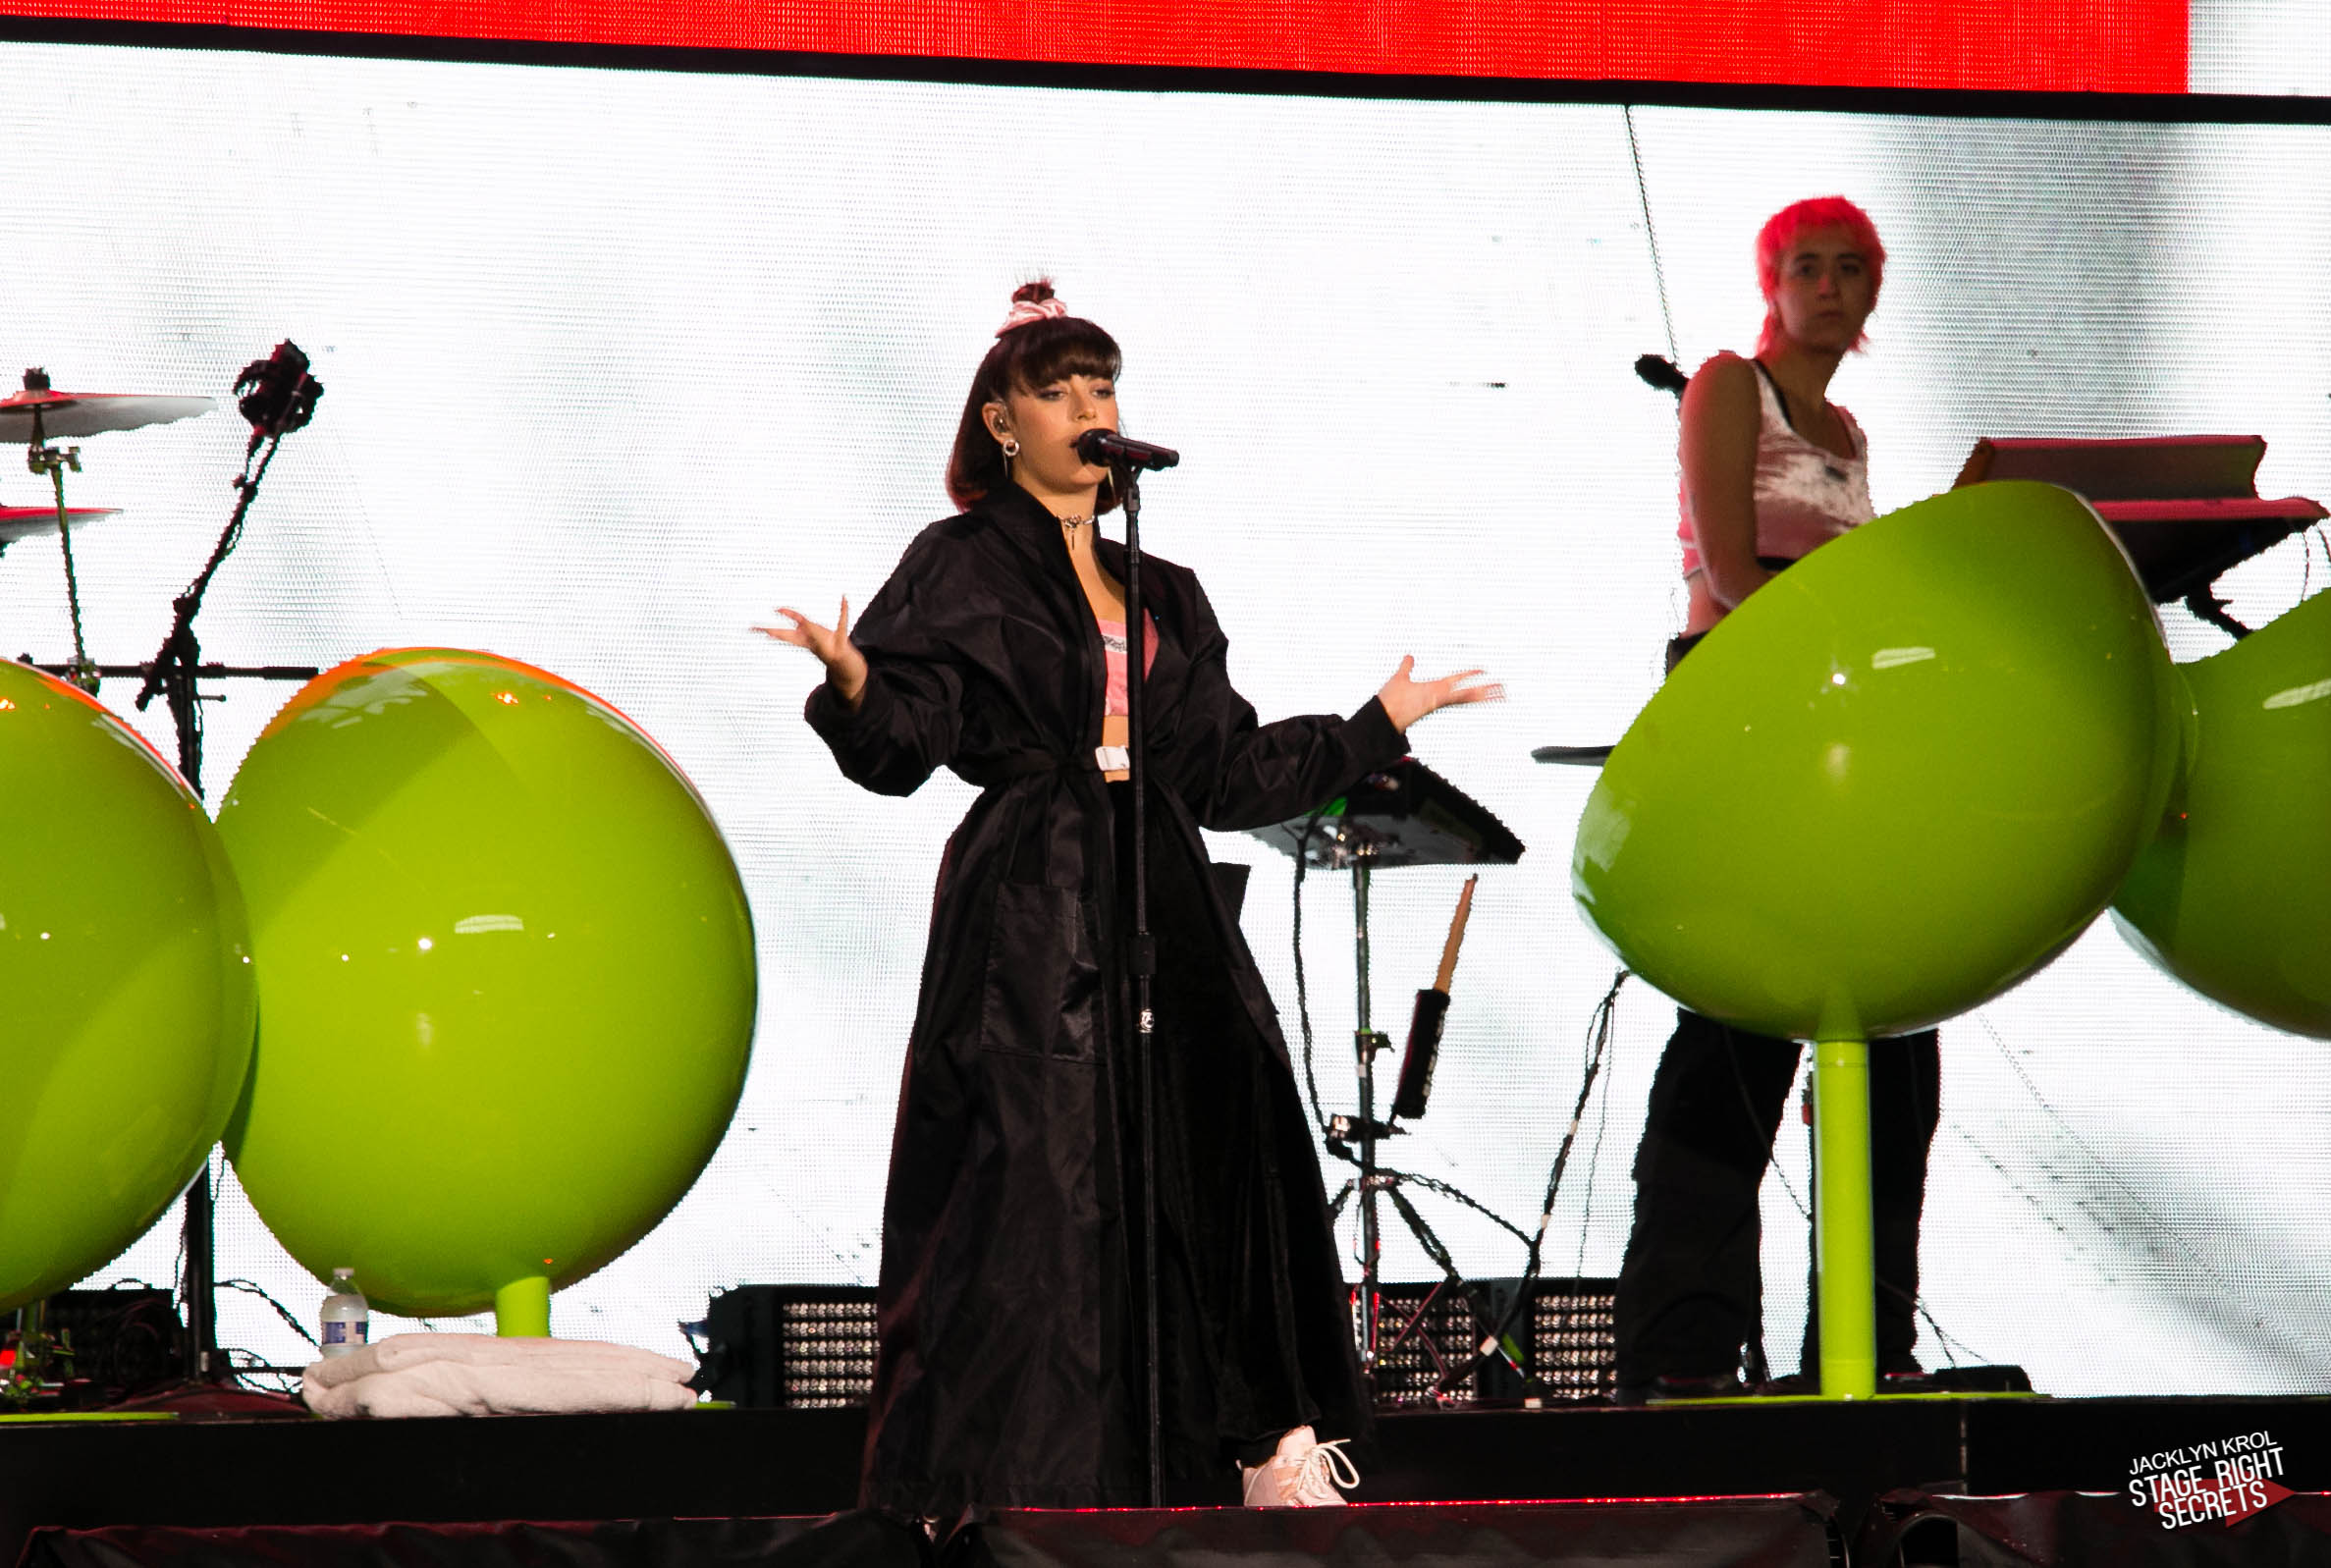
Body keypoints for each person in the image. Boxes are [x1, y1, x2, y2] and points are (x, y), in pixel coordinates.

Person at [760, 281, 1497, 1514]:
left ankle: (1253, 1445)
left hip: (1160, 885)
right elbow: (905, 740)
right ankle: (1023, 1479)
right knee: (1038, 1177)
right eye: (1056, 390)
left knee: (1213, 1142)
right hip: (1035, 893)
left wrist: (1376, 722)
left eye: (1100, 385)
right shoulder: (957, 563)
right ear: (1001, 422)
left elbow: (1223, 771)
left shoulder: (1165, 588)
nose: (1087, 407)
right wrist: (852, 683)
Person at [1613, 197, 1942, 1401]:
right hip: (1745, 706)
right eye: (1807, 266)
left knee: (1896, 1031)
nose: (1829, 285)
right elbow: (1731, 567)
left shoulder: (1848, 428)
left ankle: (1867, 1347)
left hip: (1835, 726)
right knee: (1736, 1027)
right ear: (1771, 282)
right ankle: (1683, 1353)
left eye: (1851, 267)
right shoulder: (1725, 386)